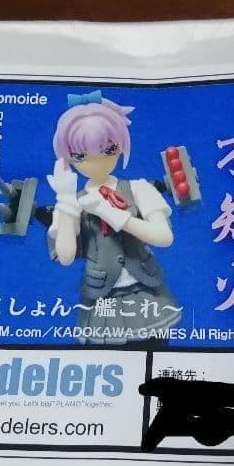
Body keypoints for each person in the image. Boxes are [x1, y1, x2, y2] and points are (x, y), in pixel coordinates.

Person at [46, 91, 181, 345]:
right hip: (102, 298)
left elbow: (164, 237)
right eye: (80, 155)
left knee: (153, 351)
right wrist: (65, 199)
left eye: (108, 149)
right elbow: (65, 256)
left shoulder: (139, 188)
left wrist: (112, 214)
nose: (96, 162)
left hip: (145, 290)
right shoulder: (72, 202)